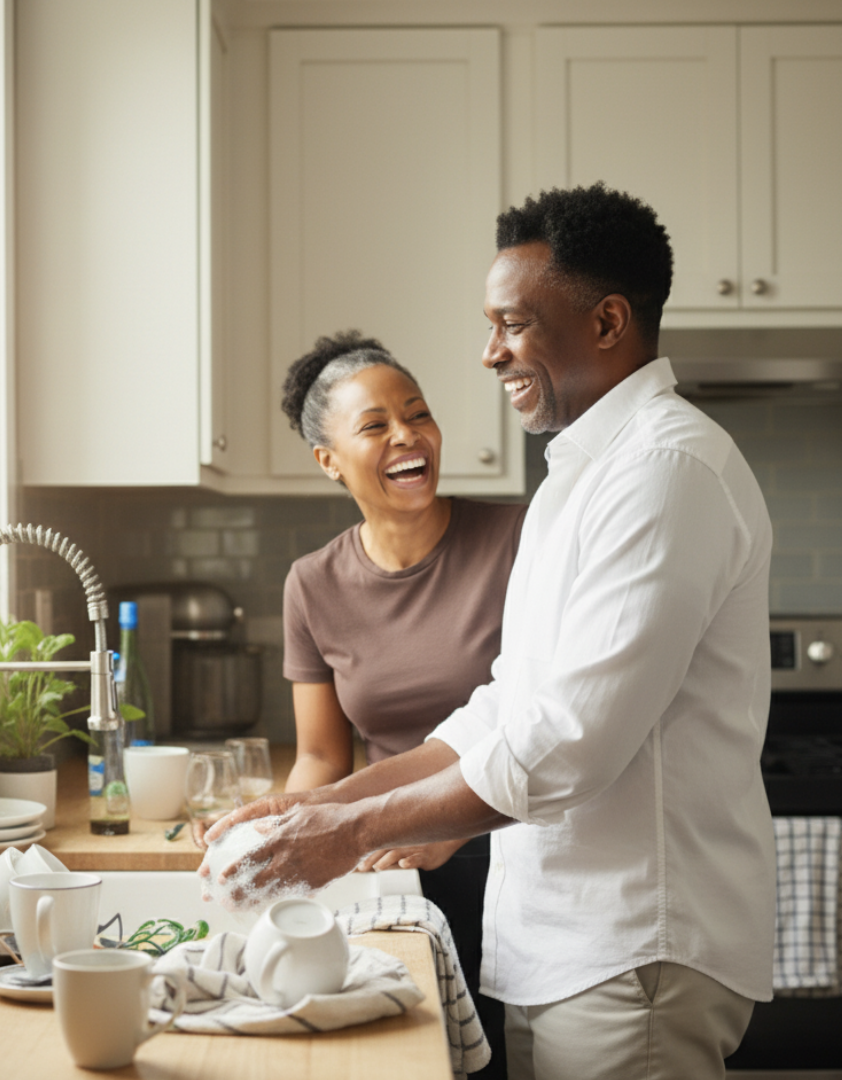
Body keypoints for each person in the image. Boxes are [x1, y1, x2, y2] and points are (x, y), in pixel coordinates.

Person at [204, 183, 775, 1080]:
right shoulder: (580, 477)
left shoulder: (666, 471)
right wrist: (324, 806)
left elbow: (567, 743)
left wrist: (346, 837)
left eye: (512, 324)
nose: (488, 353)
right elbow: (509, 704)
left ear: (607, 321)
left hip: (632, 948)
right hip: (568, 944)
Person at [279, 330, 527, 1077]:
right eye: (375, 425)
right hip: (394, 871)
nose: (406, 435)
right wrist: (285, 837)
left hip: (519, 855)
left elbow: (541, 720)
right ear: (329, 461)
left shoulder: (519, 541)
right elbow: (322, 755)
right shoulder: (312, 584)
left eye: (416, 413)